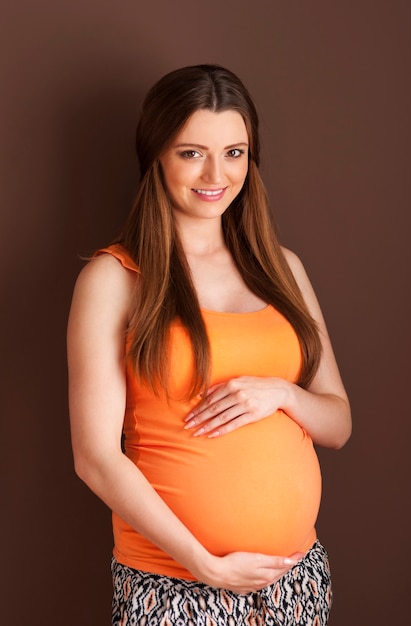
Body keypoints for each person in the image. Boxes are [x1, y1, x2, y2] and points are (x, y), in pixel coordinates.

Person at [67, 64, 351, 626]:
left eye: (235, 152)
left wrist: (283, 395)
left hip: (295, 581)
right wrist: (203, 564)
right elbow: (95, 458)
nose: (216, 173)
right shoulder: (115, 278)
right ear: (156, 155)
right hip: (175, 583)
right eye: (191, 152)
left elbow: (338, 424)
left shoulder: (283, 268)